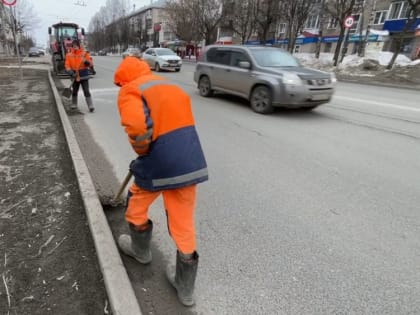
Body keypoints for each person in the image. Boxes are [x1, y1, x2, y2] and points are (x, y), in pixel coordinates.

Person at [114, 56, 208, 306]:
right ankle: (185, 288)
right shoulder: (169, 85)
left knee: (136, 202)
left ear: (123, 79)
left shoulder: (129, 90)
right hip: (190, 162)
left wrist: (142, 153)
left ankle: (141, 251)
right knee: (183, 221)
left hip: (159, 162)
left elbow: (137, 127)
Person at [64, 39, 95, 112]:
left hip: (84, 75)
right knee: (75, 91)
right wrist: (71, 72)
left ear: (79, 46)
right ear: (72, 46)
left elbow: (90, 63)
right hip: (74, 75)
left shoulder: (84, 54)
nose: (75, 47)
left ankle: (90, 105)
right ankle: (74, 104)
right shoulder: (69, 55)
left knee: (86, 91)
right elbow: (67, 65)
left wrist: (87, 62)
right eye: (74, 46)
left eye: (76, 46)